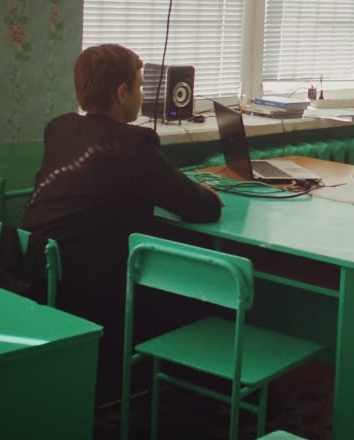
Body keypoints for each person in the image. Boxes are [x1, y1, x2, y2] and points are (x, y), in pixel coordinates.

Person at [20, 43, 222, 396]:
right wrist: (204, 192)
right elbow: (199, 208)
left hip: (36, 273)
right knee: (200, 289)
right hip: (91, 288)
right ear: (121, 92)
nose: (142, 95)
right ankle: (188, 394)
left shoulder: (60, 128)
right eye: (140, 86)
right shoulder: (133, 144)